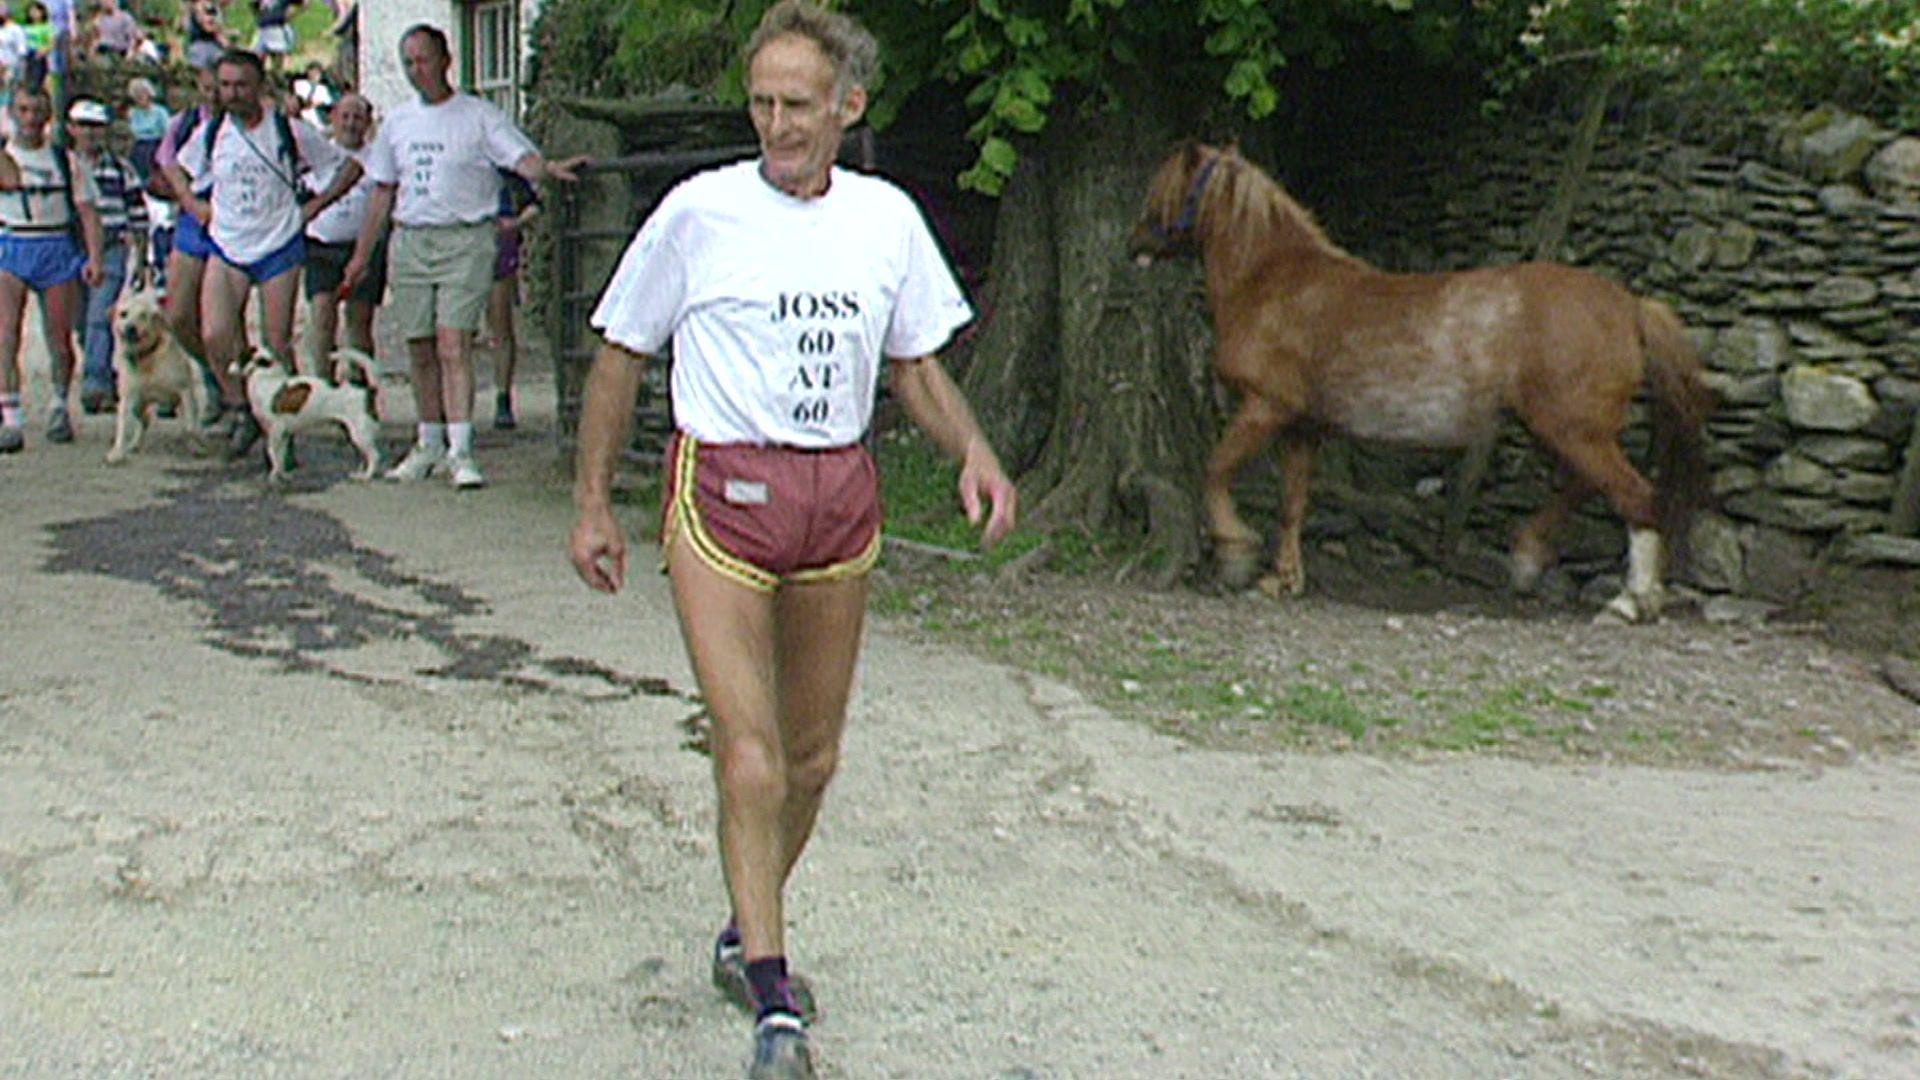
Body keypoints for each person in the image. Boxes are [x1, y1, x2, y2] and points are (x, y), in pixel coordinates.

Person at [568, 4, 1016, 1077]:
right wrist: (591, 504)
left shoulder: (885, 221)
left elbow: (912, 363)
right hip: (721, 488)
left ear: (847, 106)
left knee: (812, 758)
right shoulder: (698, 213)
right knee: (752, 752)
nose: (776, 125)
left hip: (836, 498)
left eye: (798, 105)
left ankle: (741, 926)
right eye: (761, 103)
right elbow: (621, 355)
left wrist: (974, 453)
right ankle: (774, 1002)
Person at [342, 23, 584, 489]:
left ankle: (460, 449)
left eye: (424, 60)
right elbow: (382, 191)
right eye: (409, 62)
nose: (417, 71)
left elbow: (521, 158)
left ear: (445, 60)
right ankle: (428, 440)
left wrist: (548, 169)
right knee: (419, 344)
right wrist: (362, 254)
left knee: (453, 342)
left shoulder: (478, 115)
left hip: (466, 238)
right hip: (412, 237)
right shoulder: (397, 123)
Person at [166, 48, 358, 451]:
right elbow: (175, 167)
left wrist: (314, 208)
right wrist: (192, 204)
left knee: (276, 341)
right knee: (216, 333)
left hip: (278, 242)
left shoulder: (289, 130)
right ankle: (240, 405)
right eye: (226, 85)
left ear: (258, 87)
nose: (232, 93)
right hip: (227, 240)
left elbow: (347, 166)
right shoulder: (214, 130)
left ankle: (286, 422)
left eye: (241, 85)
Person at [0, 88, 105, 453]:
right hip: (12, 243)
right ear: (13, 113)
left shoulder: (64, 160)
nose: (30, 119)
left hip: (55, 245)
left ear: (48, 117)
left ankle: (59, 402)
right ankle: (11, 416)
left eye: (37, 112)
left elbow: (89, 213)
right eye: (24, 111)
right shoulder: (4, 156)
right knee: (5, 335)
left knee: (59, 338)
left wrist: (95, 258)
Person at [150, 64, 232, 425]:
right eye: (209, 87)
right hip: (194, 217)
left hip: (233, 220)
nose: (214, 95)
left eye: (221, 88)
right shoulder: (184, 125)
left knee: (224, 318)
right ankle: (211, 372)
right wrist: (190, 203)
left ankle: (234, 389)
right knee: (179, 313)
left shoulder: (244, 124)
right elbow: (169, 168)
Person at [68, 97, 148, 416]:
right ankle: (101, 374)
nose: (89, 133)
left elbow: (137, 211)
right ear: (71, 129)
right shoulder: (64, 165)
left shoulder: (119, 168)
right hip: (71, 246)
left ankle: (95, 382)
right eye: (83, 126)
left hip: (113, 244)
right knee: (80, 319)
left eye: (96, 127)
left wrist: (141, 255)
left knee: (100, 316)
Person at [301, 91, 379, 367]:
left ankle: (361, 390)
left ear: (369, 122)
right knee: (322, 315)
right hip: (321, 245)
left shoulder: (378, 158)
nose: (350, 123)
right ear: (333, 118)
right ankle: (324, 388)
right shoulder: (317, 153)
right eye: (344, 116)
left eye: (358, 117)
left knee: (359, 321)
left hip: (362, 247)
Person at [484, 166, 535, 430]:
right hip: (460, 234)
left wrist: (514, 224)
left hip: (496, 239)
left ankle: (503, 396)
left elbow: (534, 202)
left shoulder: (504, 163)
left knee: (500, 322)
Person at [125, 76, 170, 183]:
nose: (139, 97)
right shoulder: (132, 113)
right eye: (136, 94)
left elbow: (167, 132)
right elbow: (131, 132)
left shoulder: (160, 112)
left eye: (142, 93)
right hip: (137, 146)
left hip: (155, 146)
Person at [253, 0, 298, 74]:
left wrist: (290, 14)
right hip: (263, 28)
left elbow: (302, 4)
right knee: (257, 59)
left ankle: (277, 77)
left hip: (277, 29)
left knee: (277, 58)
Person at [183, 0, 226, 70]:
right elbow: (208, 26)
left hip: (200, 48)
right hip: (204, 49)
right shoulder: (202, 6)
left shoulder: (193, 8)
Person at [19, 1, 50, 89]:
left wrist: (44, 50)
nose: (34, 14)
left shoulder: (45, 27)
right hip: (27, 54)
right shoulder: (25, 27)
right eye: (32, 11)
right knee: (27, 74)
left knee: (38, 75)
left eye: (36, 11)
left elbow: (49, 42)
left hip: (39, 54)